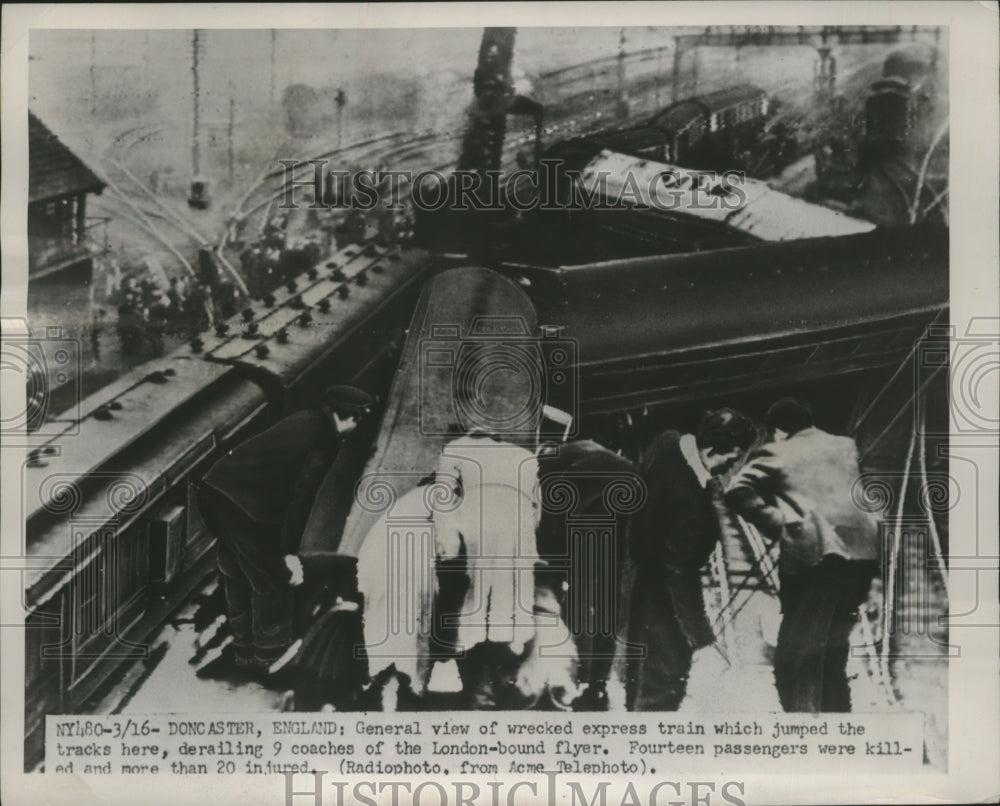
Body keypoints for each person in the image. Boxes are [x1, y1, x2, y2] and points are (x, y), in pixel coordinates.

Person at [195, 385, 374, 681]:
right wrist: (288, 553)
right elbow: (300, 501)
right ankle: (267, 659)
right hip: (244, 509)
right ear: (351, 417)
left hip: (216, 494)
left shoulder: (306, 417)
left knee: (239, 573)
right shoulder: (325, 440)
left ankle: (243, 650)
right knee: (272, 583)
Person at [725, 397, 879, 713]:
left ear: (779, 431)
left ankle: (801, 727)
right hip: (863, 561)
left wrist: (780, 523)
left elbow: (737, 490)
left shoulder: (779, 450)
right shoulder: (844, 445)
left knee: (793, 657)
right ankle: (837, 725)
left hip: (818, 563)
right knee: (832, 652)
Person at [626, 408, 756, 711]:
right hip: (663, 608)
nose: (731, 467)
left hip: (637, 585)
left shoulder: (667, 442)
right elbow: (681, 575)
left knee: (638, 677)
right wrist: (702, 639)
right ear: (711, 450)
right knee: (662, 686)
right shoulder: (693, 506)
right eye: (732, 458)